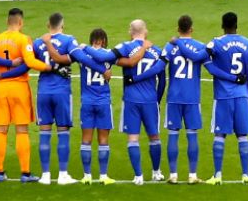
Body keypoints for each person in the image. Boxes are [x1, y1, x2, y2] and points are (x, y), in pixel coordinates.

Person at [0, 7, 53, 181]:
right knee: (21, 131)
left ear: (7, 22)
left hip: (1, 89)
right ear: (21, 22)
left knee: (1, 130)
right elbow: (29, 62)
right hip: (19, 88)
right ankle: (25, 173)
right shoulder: (24, 39)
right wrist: (47, 67)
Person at [203, 12, 248, 185]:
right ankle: (246, 175)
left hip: (223, 95)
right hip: (242, 94)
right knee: (242, 135)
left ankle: (217, 175)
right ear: (237, 24)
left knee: (220, 134)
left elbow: (207, 62)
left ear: (222, 25)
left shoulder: (216, 42)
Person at [114, 19, 167, 184]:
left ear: (131, 31)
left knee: (133, 138)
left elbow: (110, 58)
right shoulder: (157, 51)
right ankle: (156, 172)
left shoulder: (125, 48)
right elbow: (163, 81)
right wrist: (157, 100)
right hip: (150, 99)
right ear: (146, 31)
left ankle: (138, 176)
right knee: (154, 137)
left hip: (131, 99)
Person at [30, 12, 80, 184]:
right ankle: (63, 175)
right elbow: (72, 59)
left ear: (47, 24)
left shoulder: (37, 42)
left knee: (44, 132)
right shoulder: (68, 40)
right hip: (61, 92)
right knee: (63, 132)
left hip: (43, 91)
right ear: (62, 24)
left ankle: (45, 175)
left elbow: (29, 62)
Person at [161, 16, 209, 183]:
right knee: (192, 135)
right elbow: (210, 67)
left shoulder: (170, 46)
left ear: (178, 28)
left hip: (173, 97)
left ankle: (173, 175)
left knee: (173, 135)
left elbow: (160, 69)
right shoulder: (200, 46)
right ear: (192, 29)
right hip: (192, 98)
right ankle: (192, 175)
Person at [68, 27, 119, 184]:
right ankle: (103, 176)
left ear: (91, 40)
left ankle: (87, 176)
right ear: (104, 40)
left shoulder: (84, 54)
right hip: (103, 102)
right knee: (103, 140)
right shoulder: (109, 54)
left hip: (87, 101)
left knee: (86, 139)